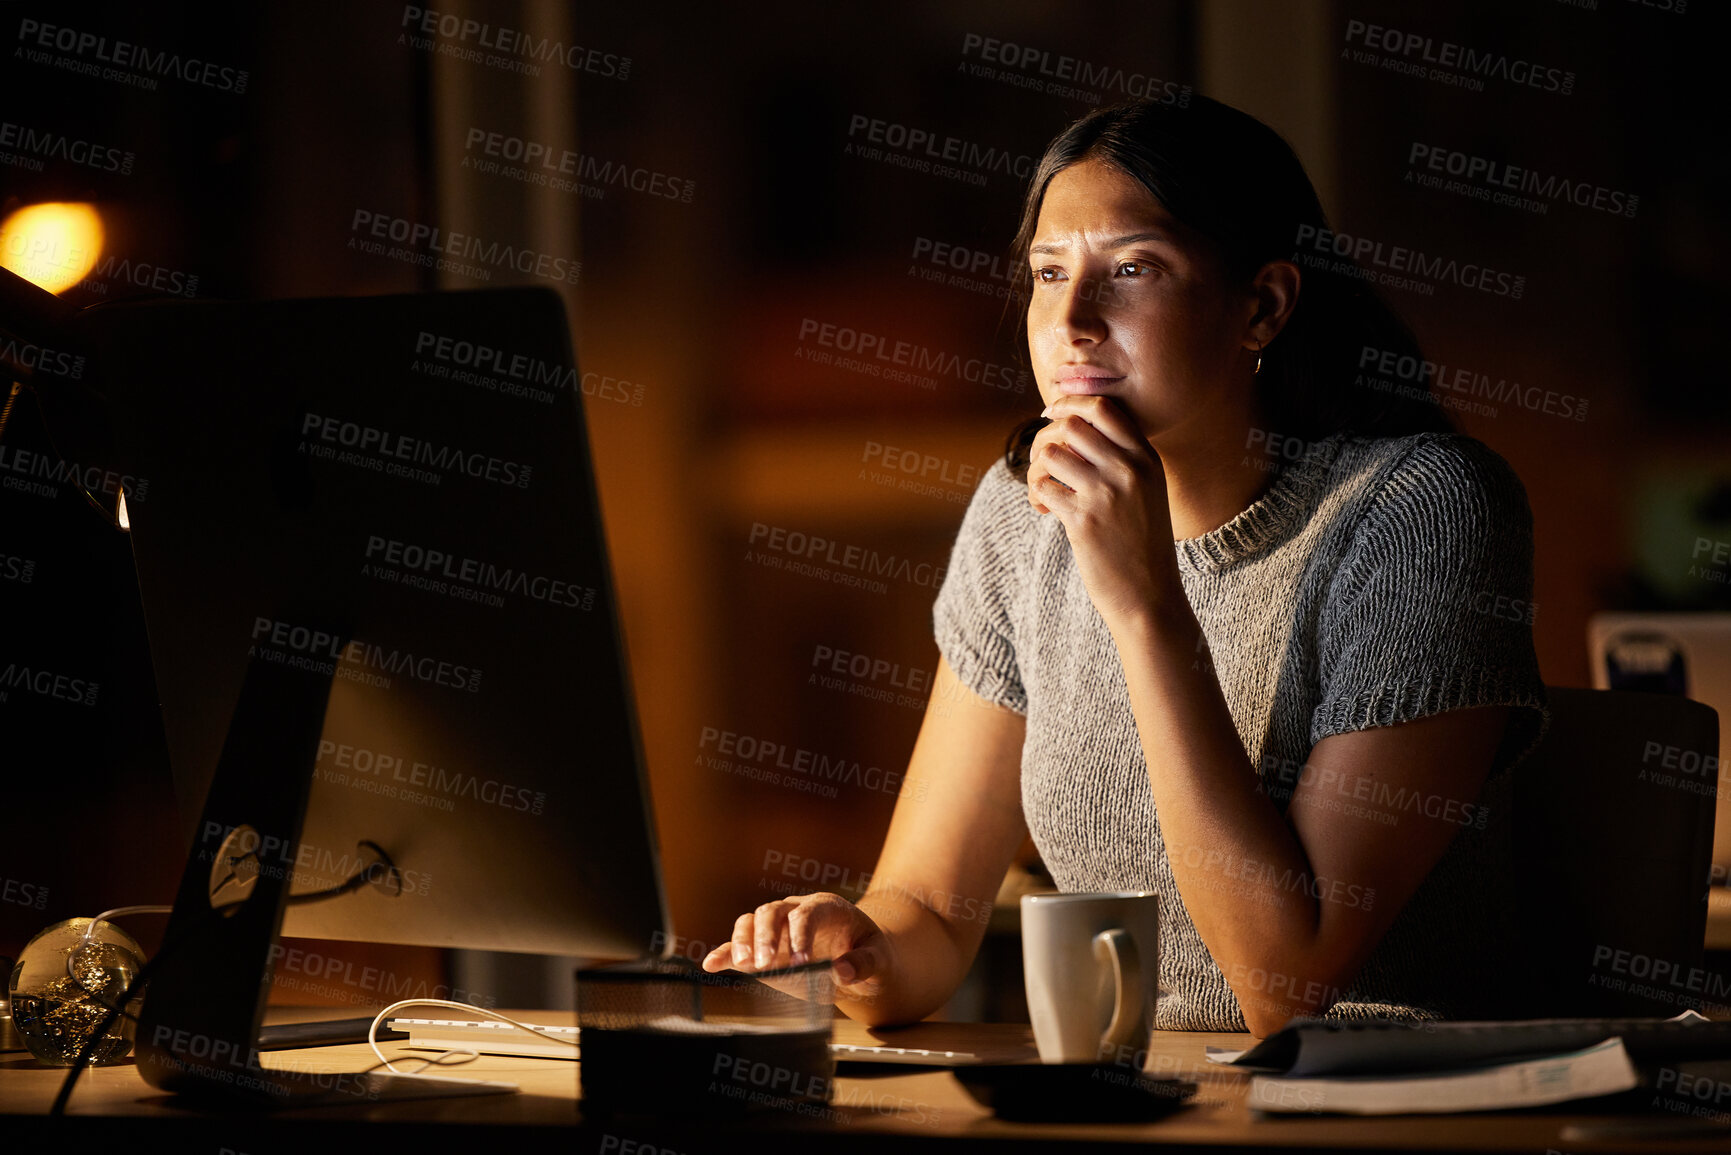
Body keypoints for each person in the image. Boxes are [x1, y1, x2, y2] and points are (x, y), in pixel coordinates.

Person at [702, 95, 1548, 1037]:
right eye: (1049, 272)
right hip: (1150, 1099)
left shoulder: (1420, 510)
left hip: (1399, 1109)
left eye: (1133, 269)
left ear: (1261, 305)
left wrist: (1145, 603)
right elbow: (933, 915)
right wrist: (851, 944)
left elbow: (1286, 987)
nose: (1071, 320)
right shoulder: (1020, 512)